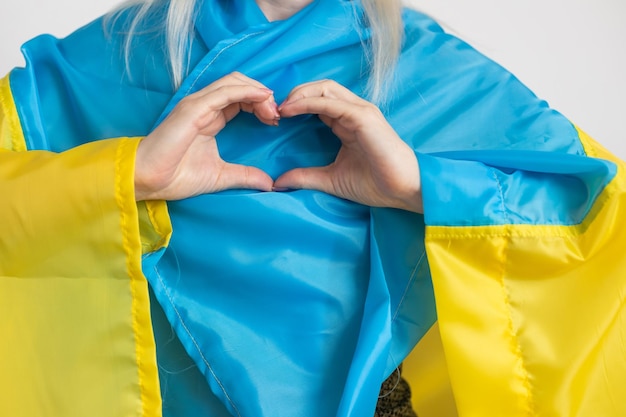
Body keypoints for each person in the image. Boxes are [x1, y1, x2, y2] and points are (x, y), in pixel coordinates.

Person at [1, 0, 624, 416]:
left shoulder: (434, 68)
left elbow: (598, 217)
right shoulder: (101, 63)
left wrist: (420, 186)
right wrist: (127, 175)